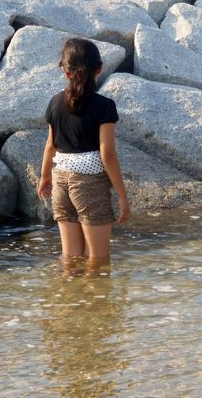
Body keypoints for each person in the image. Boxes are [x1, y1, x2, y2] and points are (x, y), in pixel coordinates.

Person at [38, 38, 130, 267]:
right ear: (99, 69)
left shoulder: (55, 102)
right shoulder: (104, 106)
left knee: (70, 258)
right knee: (97, 261)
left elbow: (51, 145)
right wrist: (122, 195)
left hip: (60, 181)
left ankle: (65, 302)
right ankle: (93, 303)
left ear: (65, 71)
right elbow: (107, 154)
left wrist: (45, 177)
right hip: (89, 185)